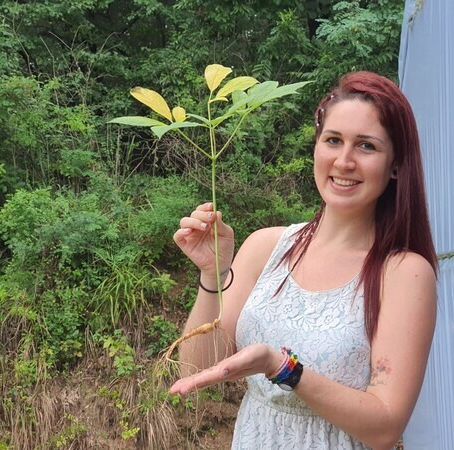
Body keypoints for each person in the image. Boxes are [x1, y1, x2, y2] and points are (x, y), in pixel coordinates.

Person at [169, 71, 437, 450]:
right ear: (316, 147)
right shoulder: (265, 248)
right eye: (333, 140)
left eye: (366, 146)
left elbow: (385, 427)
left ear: (396, 165)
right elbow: (195, 368)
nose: (344, 161)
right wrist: (213, 275)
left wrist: (283, 368)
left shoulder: (404, 273)